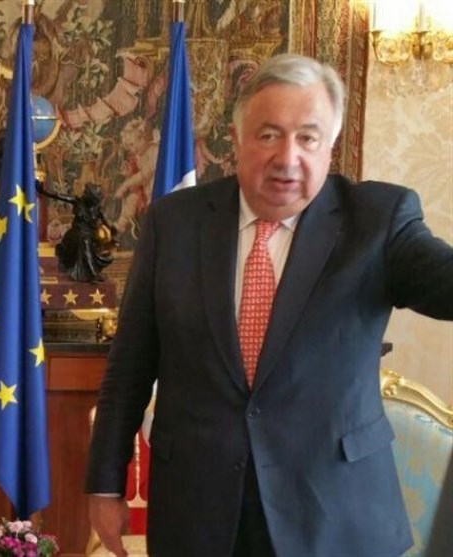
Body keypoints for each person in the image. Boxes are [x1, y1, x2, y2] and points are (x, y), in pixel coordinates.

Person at [85, 53, 453, 557]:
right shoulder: (174, 223)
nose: (287, 157)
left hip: (334, 516)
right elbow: (131, 363)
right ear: (235, 141)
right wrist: (106, 484)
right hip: (200, 511)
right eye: (268, 135)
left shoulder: (377, 221)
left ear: (329, 147)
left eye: (308, 138)